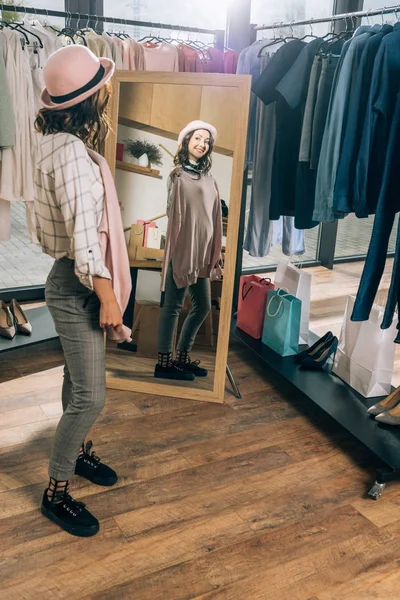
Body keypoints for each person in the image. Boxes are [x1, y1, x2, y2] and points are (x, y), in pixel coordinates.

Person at [34, 45, 128, 537]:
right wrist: (108, 294)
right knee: (90, 397)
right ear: (92, 99)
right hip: (79, 285)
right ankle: (56, 491)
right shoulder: (71, 152)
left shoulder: (53, 142)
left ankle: (80, 451)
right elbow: (84, 237)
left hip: (72, 279)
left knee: (78, 380)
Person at [155, 121, 222, 382]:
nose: (202, 143)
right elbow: (174, 214)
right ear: (186, 141)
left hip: (203, 254)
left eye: (206, 140)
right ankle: (164, 362)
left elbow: (214, 218)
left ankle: (182, 358)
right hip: (182, 251)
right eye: (197, 138)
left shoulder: (211, 181)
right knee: (172, 306)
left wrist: (214, 253)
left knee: (203, 306)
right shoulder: (177, 175)